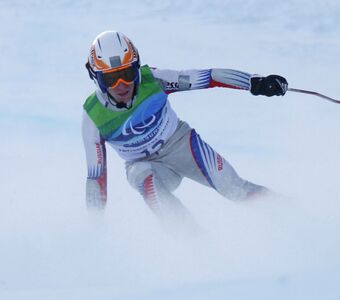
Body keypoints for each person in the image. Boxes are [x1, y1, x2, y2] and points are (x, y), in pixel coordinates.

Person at [82, 30, 286, 223]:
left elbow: (208, 77)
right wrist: (96, 229)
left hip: (182, 146)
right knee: (139, 174)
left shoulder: (153, 79)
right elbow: (96, 177)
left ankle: (294, 214)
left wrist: (254, 82)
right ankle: (193, 243)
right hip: (150, 168)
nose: (121, 85)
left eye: (127, 73)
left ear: (137, 68)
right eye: (109, 78)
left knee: (234, 189)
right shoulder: (93, 116)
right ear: (96, 78)